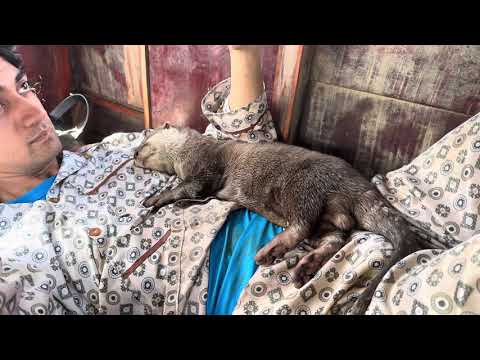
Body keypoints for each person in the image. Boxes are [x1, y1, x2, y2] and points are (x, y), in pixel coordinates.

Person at [1, 44, 479, 316]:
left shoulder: (117, 149)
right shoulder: (15, 256)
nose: (30, 111)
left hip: (371, 199)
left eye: (22, 88)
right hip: (310, 296)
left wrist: (244, 54)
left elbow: (234, 151)